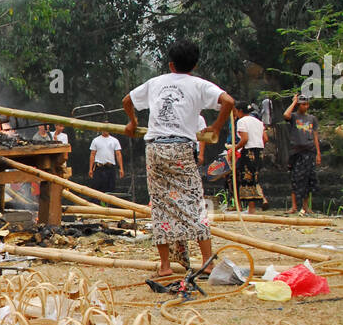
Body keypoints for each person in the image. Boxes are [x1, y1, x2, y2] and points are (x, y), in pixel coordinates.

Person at [123, 39, 234, 281]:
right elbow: (229, 102)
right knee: (193, 202)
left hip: (155, 149)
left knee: (160, 204)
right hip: (182, 148)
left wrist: (133, 122)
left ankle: (165, 265)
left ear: (171, 65)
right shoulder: (199, 84)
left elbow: (127, 100)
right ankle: (206, 262)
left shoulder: (156, 82)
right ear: (194, 64)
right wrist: (216, 126)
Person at [283, 93, 321, 214]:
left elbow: (315, 136)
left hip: (309, 151)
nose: (305, 106)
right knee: (296, 178)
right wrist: (294, 102)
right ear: (299, 105)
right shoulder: (294, 117)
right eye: (303, 104)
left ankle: (305, 206)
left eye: (306, 104)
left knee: (309, 179)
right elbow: (285, 115)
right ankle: (294, 206)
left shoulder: (312, 119)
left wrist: (318, 153)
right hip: (297, 152)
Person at [233, 101, 268, 213]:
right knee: (255, 177)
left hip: (248, 151)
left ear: (240, 111)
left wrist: (234, 148)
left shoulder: (241, 121)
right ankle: (262, 198)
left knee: (246, 178)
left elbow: (244, 139)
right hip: (259, 151)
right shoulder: (258, 122)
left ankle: (251, 208)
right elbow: (265, 138)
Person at [88, 126, 124, 194]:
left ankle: (109, 204)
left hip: (110, 167)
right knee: (98, 189)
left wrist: (121, 168)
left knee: (110, 189)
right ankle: (97, 204)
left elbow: (118, 154)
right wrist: (90, 169)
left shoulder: (114, 140)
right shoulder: (96, 140)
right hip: (99, 168)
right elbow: (92, 154)